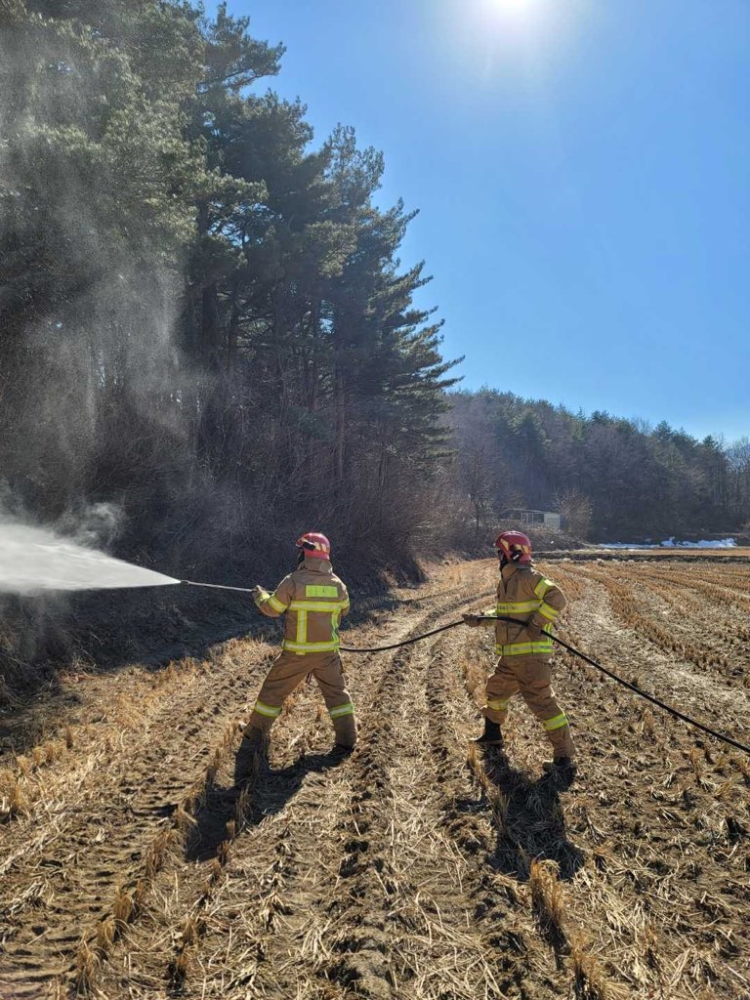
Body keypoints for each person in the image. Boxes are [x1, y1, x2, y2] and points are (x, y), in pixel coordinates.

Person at [463, 529, 576, 782]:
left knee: (543, 704)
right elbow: (505, 615)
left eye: (499, 553)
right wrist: (480, 619)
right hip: (511, 658)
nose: (497, 557)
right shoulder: (507, 582)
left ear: (510, 554)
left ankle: (564, 759)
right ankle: (492, 736)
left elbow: (557, 598)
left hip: (530, 659)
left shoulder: (529, 577)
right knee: (496, 692)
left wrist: (537, 622)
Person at [239, 532, 356, 758]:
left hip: (296, 655)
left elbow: (272, 609)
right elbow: (345, 610)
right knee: (338, 696)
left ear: (306, 554)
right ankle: (348, 740)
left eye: (301, 551)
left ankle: (254, 734)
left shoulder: (292, 581)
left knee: (272, 693)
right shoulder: (338, 585)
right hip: (328, 654)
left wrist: (259, 595)